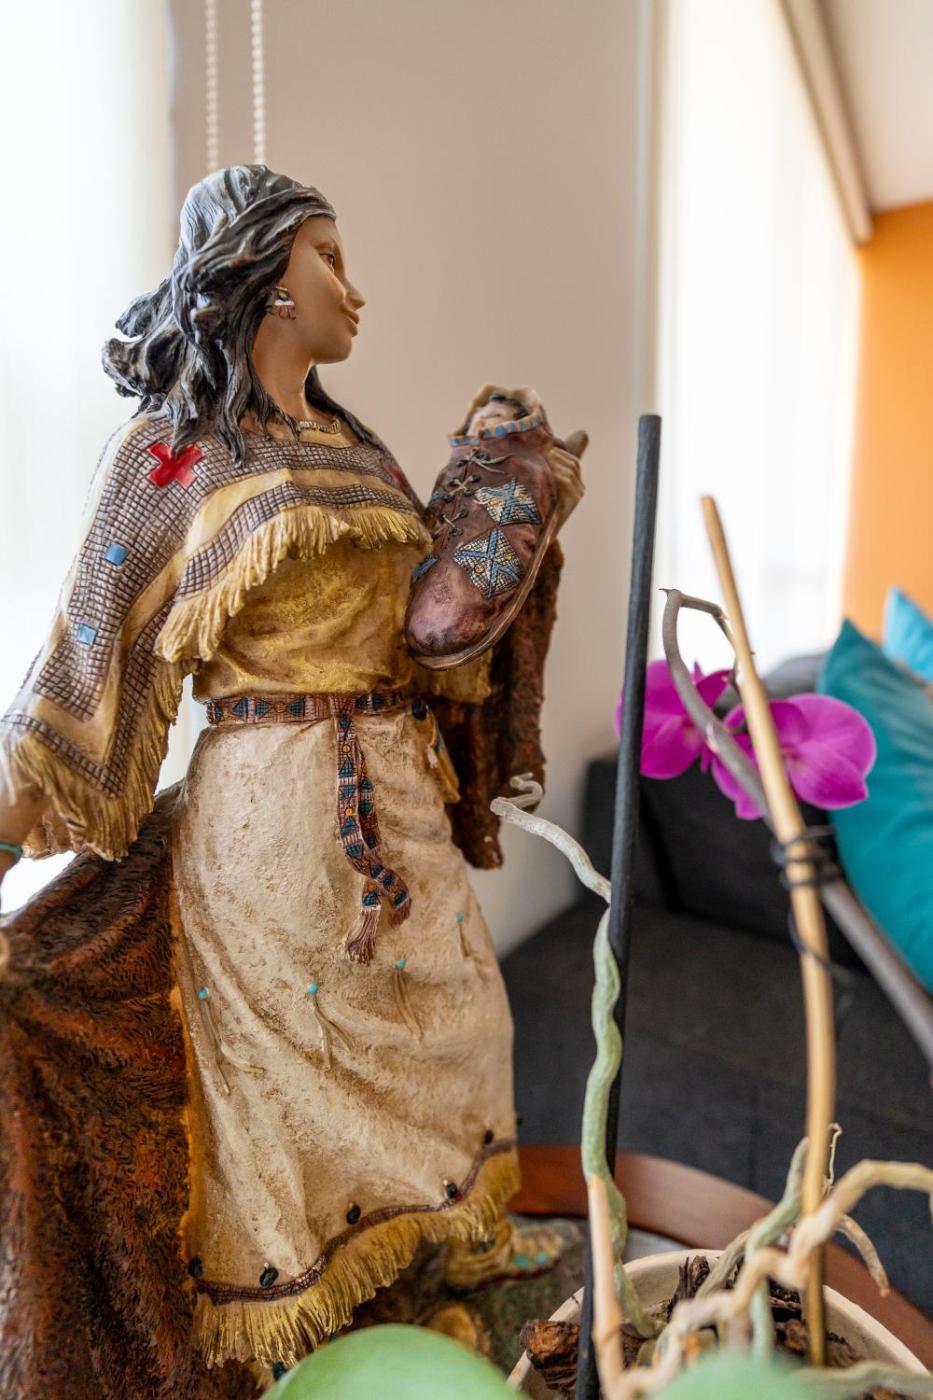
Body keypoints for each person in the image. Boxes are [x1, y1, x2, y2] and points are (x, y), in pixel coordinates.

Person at [0, 165, 584, 1392]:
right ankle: (323, 1333)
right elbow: (79, 676)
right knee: (291, 1090)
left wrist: (512, 523)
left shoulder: (357, 451)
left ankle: (454, 1254)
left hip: (398, 796)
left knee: (465, 1032)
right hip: (270, 830)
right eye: (330, 256)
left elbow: (433, 639)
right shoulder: (168, 453)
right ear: (265, 274)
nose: (353, 289)